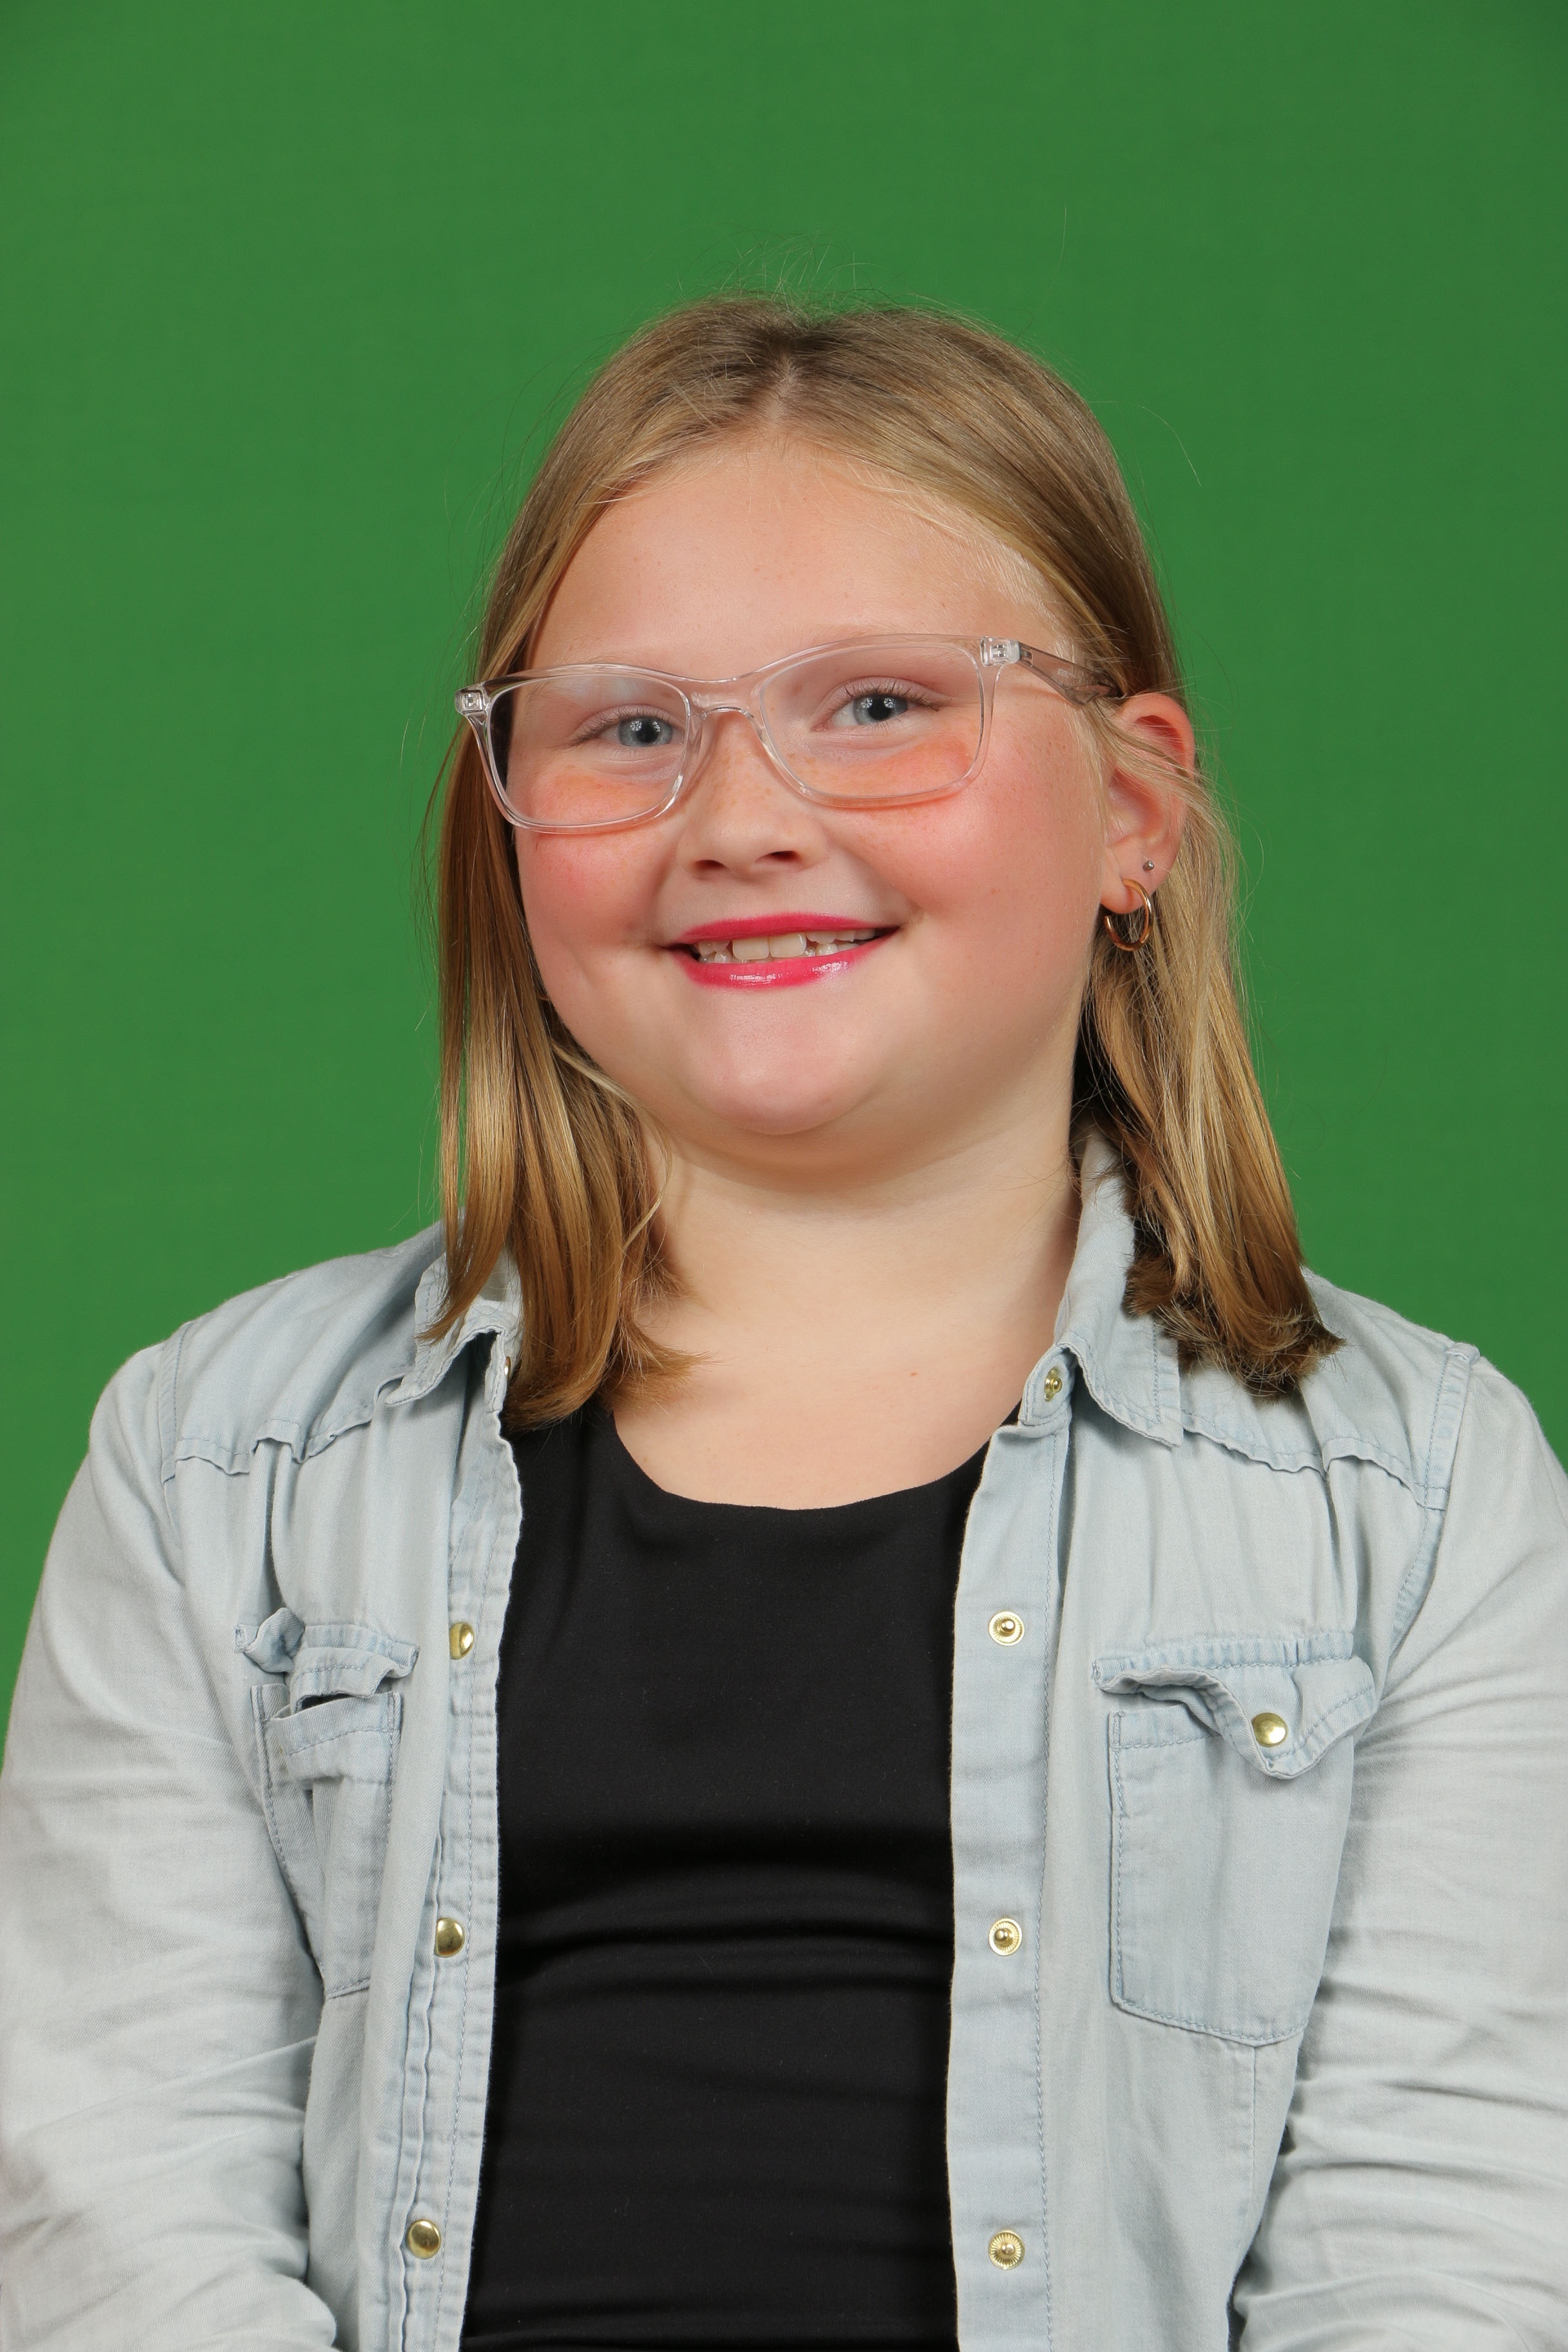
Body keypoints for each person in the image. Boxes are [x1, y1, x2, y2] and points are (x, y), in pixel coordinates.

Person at [0, 293, 1563, 2352]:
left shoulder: (1418, 1497)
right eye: (630, 728)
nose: (739, 816)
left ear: (1132, 809)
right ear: (507, 813)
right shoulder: (220, 1470)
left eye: (881, 705)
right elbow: (113, 2231)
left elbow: (1438, 2267)